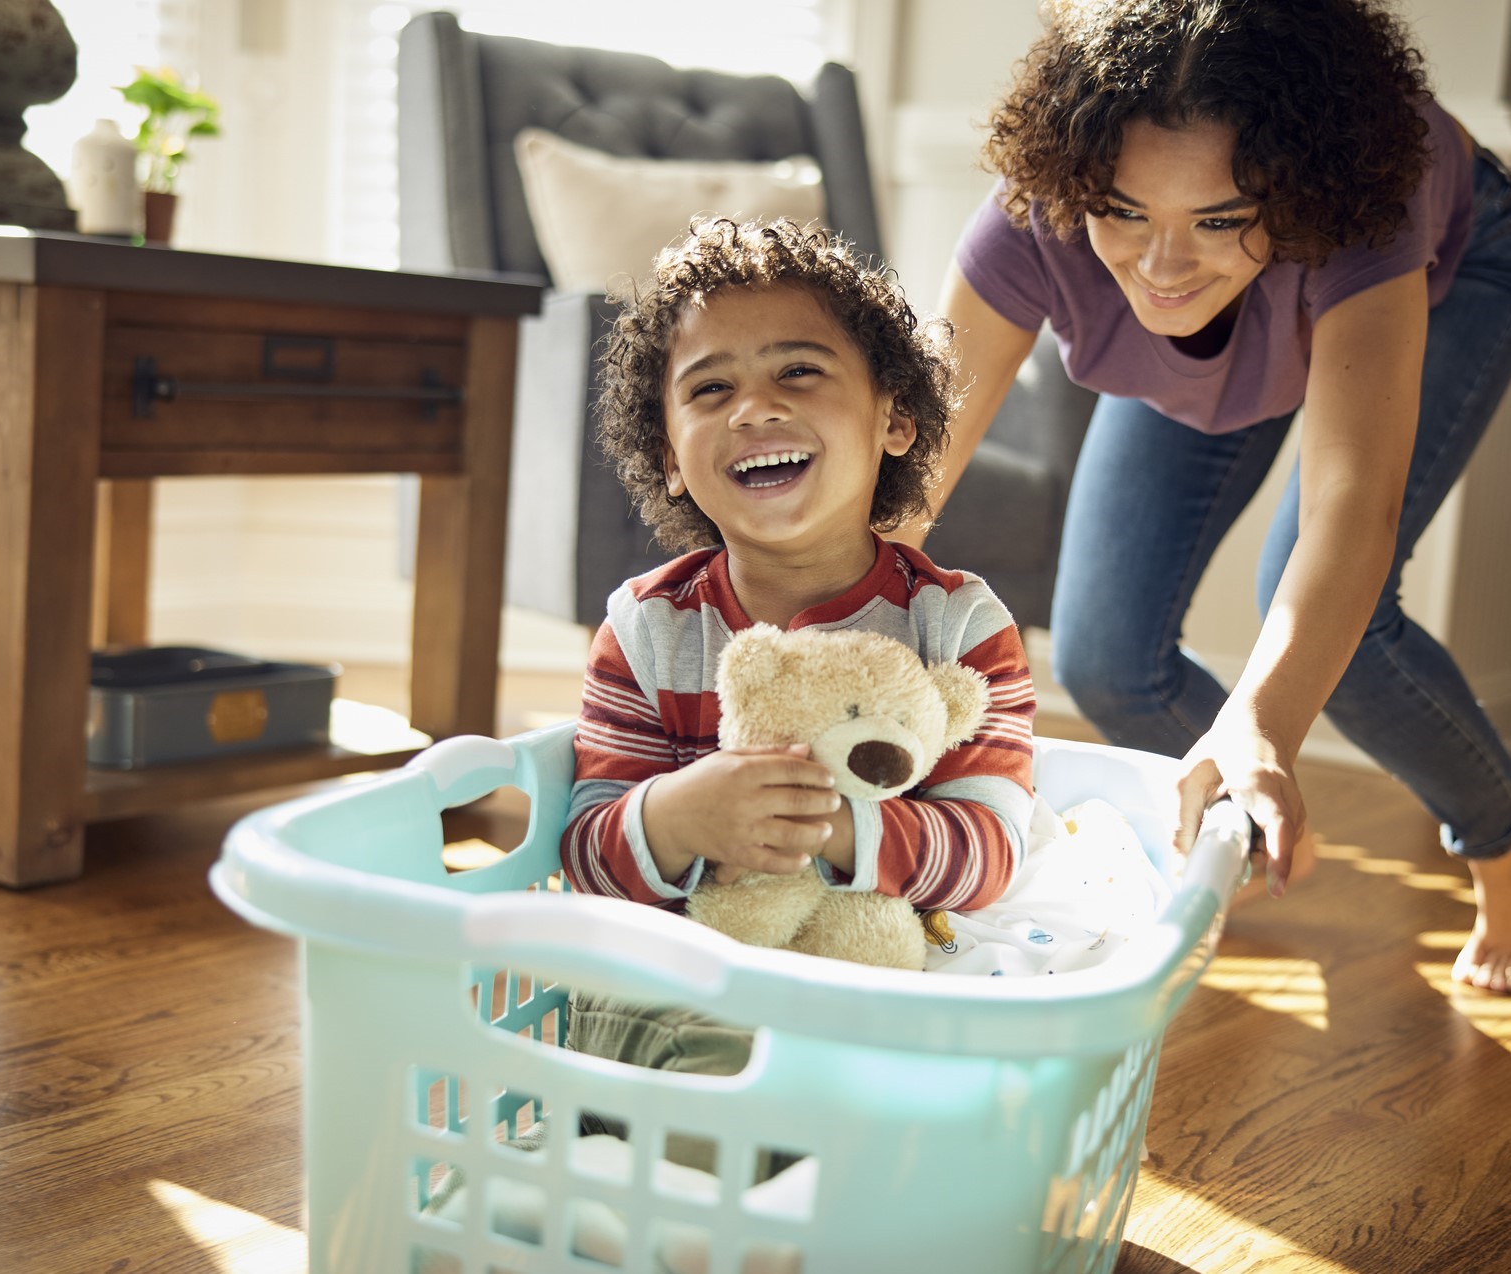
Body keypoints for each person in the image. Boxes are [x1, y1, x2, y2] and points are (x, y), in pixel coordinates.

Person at [923, 0, 1511, 992]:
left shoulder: (1365, 203)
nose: (1162, 267)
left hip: (1442, 266)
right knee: (1107, 658)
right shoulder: (1037, 215)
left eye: (1216, 218)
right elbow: (907, 472)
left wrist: (1267, 718)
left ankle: (1503, 849)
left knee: (1342, 630)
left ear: (1279, 196)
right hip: (1265, 294)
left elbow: (1346, 507)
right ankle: (1233, 813)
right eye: (1125, 212)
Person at [560, 216, 1036, 927]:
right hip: (707, 984)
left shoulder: (959, 623)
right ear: (669, 460)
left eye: (798, 371)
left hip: (891, 988)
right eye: (712, 388)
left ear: (895, 419)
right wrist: (675, 818)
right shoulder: (645, 628)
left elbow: (992, 852)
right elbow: (587, 859)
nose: (755, 409)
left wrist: (832, 830)